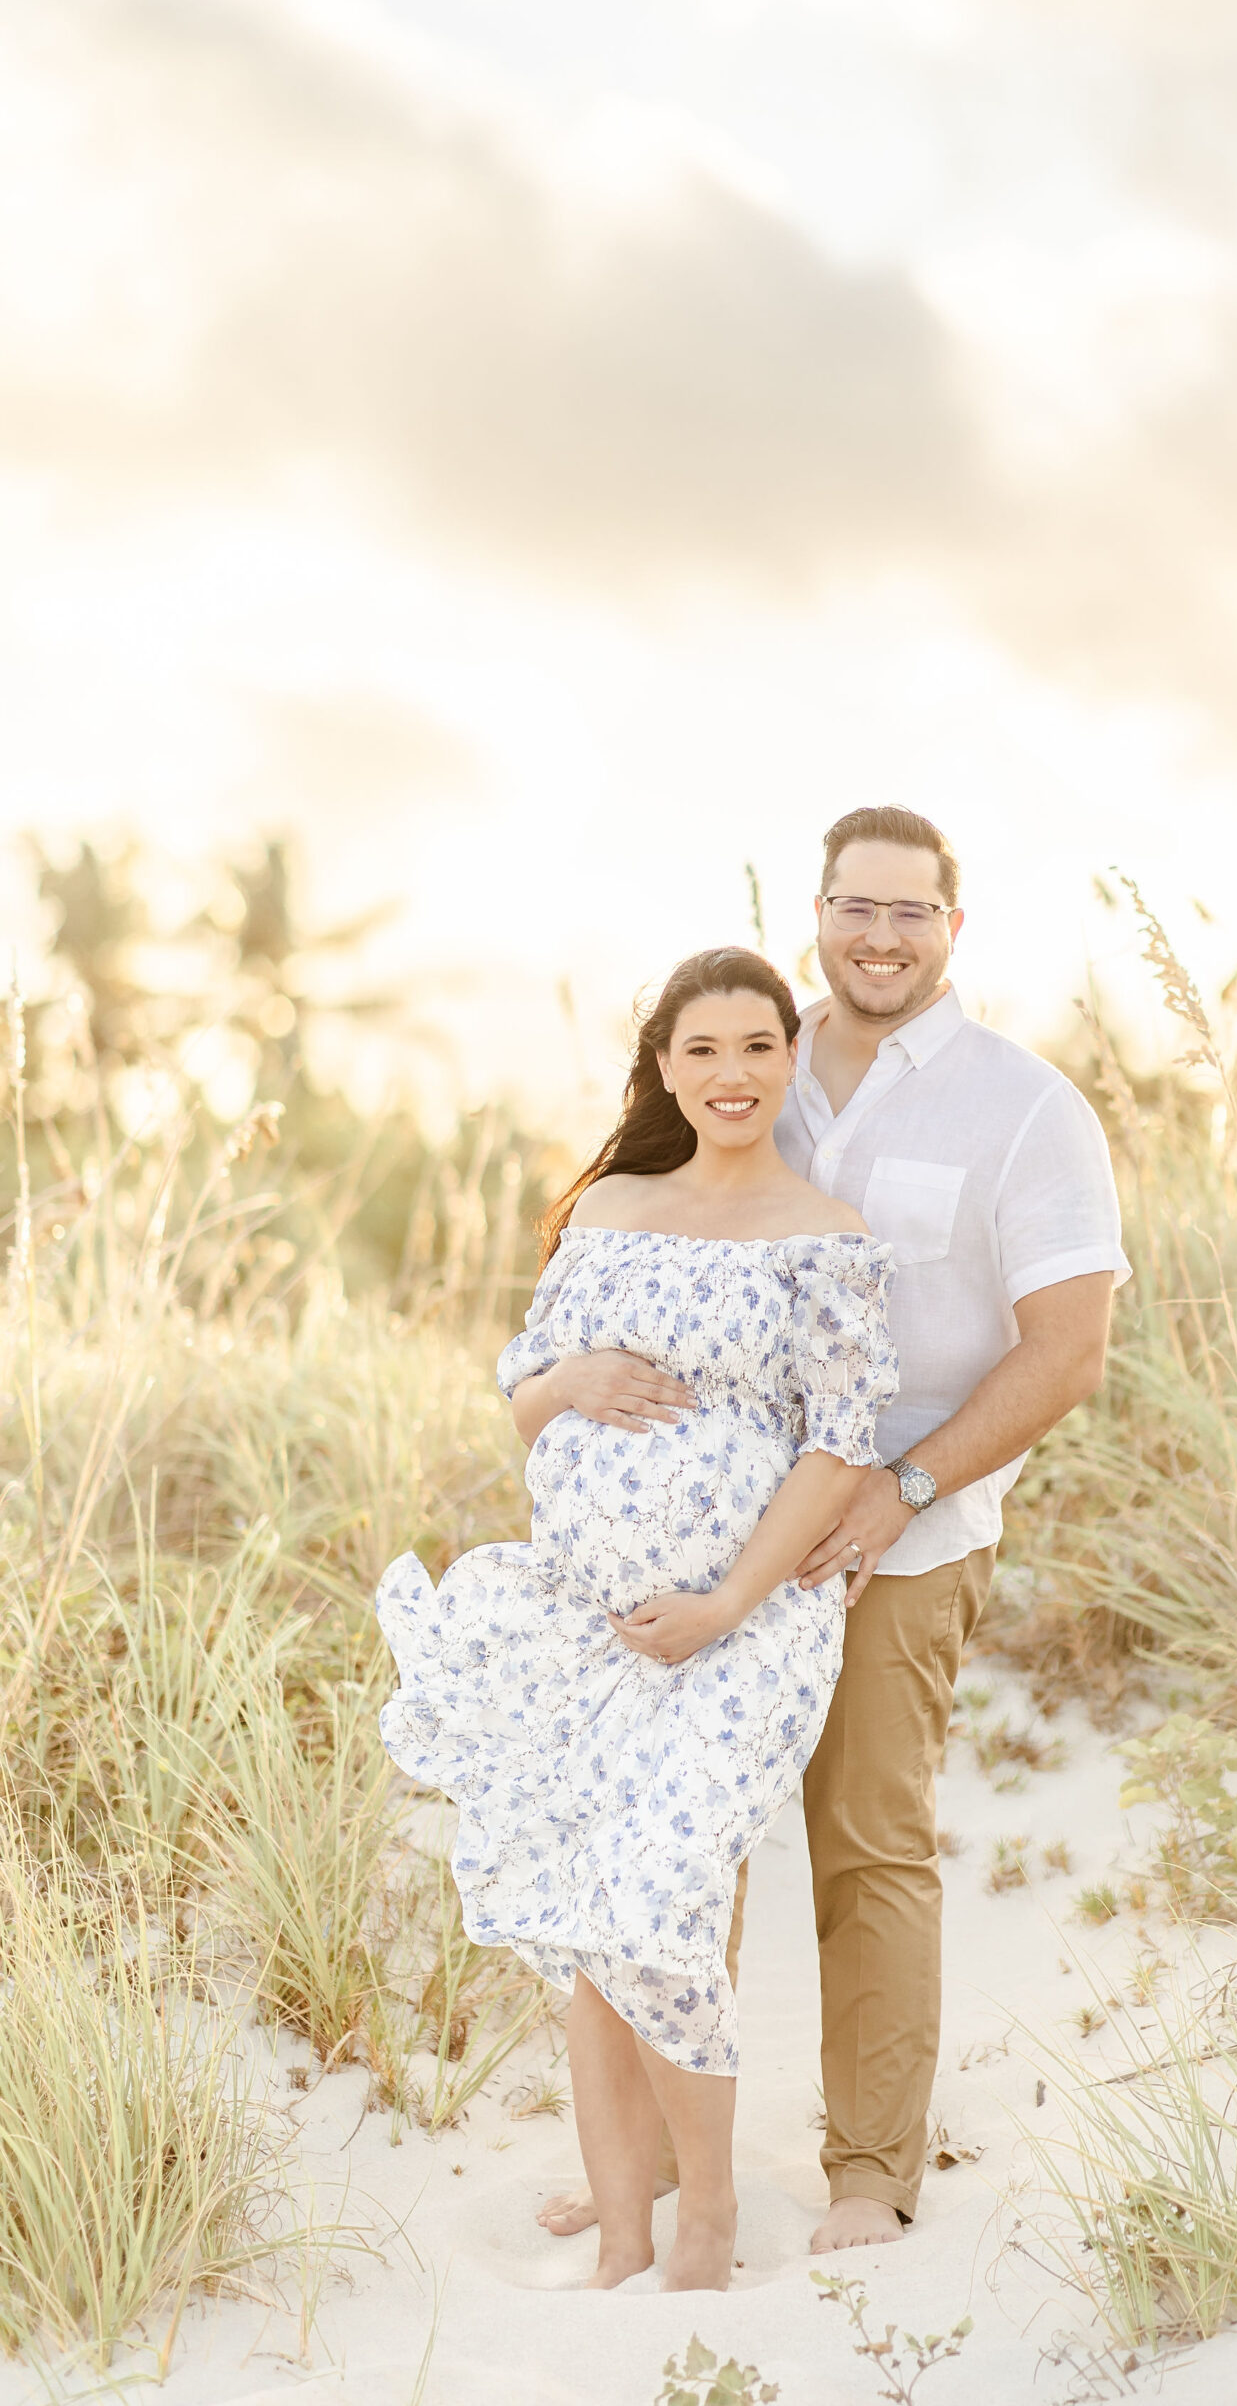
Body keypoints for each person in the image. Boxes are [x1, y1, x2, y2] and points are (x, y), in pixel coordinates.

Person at [520, 806, 1129, 2254]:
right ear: (817, 913)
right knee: (678, 1844)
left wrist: (901, 1487)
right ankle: (663, 2162)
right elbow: (618, 1241)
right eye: (857, 905)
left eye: (912, 911)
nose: (881, 934)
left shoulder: (1025, 1109)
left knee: (866, 1840)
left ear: (954, 929)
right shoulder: (748, 1054)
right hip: (698, 1545)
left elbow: (1066, 1353)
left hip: (903, 1537)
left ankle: (868, 2173)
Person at [374, 945, 897, 2293]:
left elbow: (837, 1450)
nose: (732, 1076)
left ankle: (707, 2219)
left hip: (746, 1628)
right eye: (704, 1052)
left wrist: (728, 1600)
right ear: (665, 1066)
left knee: (659, 1901)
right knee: (588, 1922)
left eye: (758, 1050)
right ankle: (620, 2232)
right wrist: (577, 1376)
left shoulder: (825, 1239)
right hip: (581, 1625)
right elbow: (520, 1398)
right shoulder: (608, 1204)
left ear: (794, 1060)